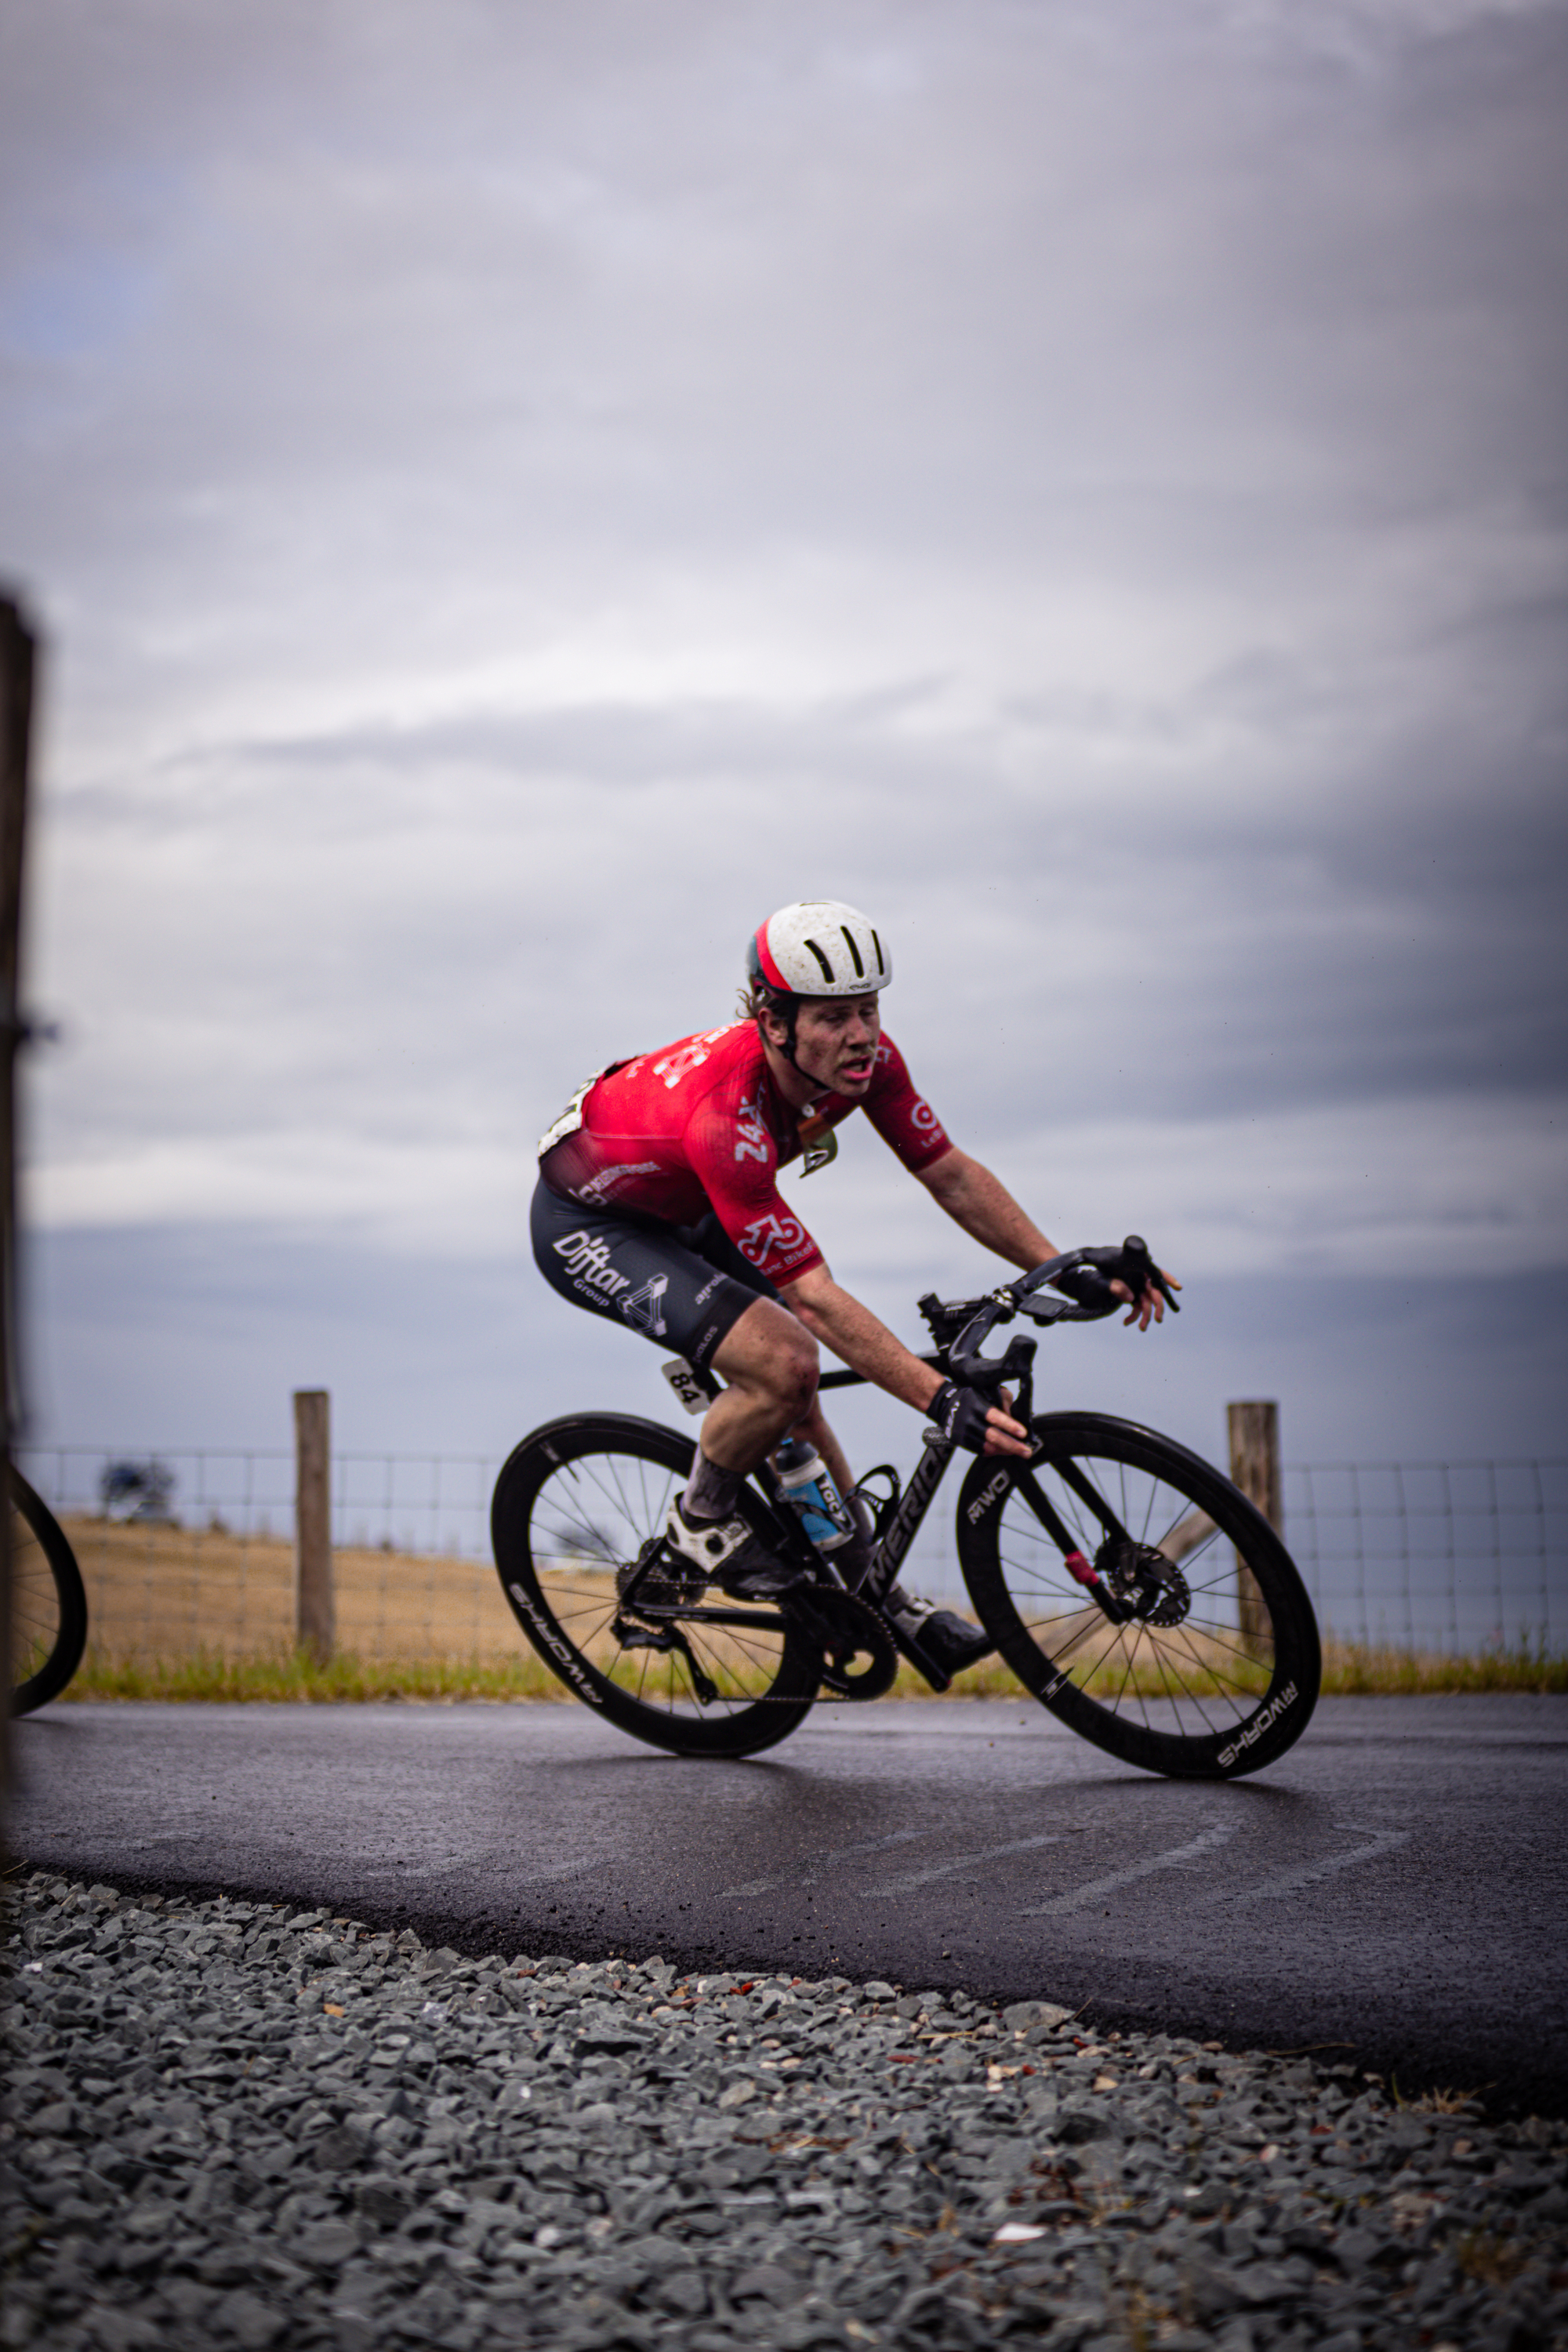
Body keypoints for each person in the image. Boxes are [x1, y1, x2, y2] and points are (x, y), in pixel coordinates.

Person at [532, 898, 1175, 1679]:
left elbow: (949, 1174)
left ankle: (875, 1598)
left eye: (868, 1009)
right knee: (786, 1362)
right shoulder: (723, 1118)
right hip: (591, 1224)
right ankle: (702, 1526)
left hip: (686, 1203)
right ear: (776, 1024)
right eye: (835, 1017)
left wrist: (1056, 1260)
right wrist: (937, 1399)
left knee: (797, 1391)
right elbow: (812, 1296)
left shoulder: (865, 1065)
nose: (861, 1035)